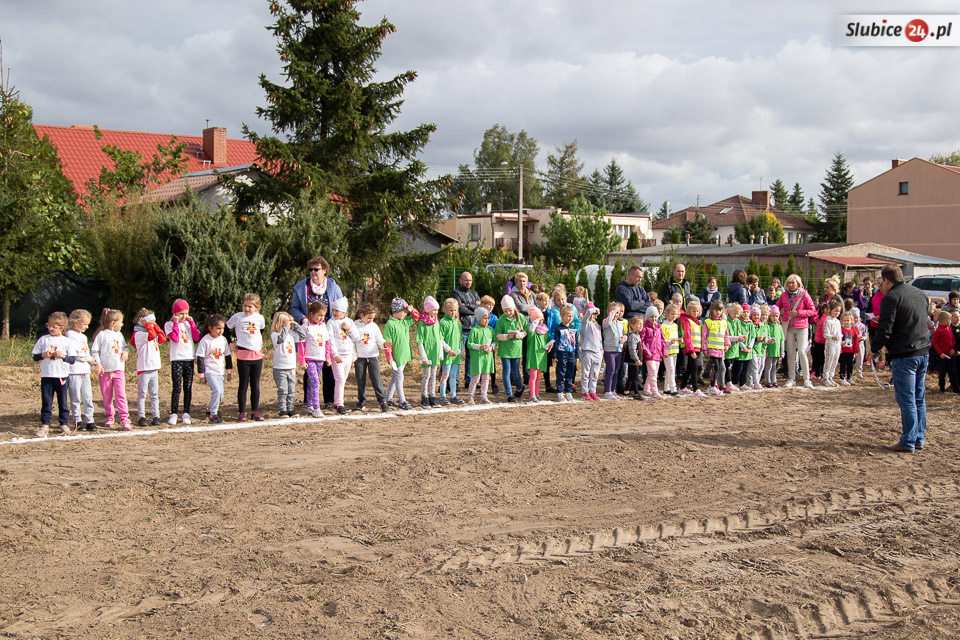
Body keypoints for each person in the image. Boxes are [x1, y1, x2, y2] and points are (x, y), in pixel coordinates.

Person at [871, 265, 931, 453]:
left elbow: (885, 329)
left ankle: (908, 441)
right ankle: (919, 437)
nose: (880, 287)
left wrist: (874, 348)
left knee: (907, 400)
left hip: (905, 354)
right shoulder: (920, 293)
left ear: (887, 280)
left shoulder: (891, 298)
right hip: (923, 351)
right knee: (918, 398)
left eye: (881, 283)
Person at [291, 256, 344, 410]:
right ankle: (308, 400)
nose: (313, 272)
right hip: (310, 331)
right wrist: (303, 320)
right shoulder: (302, 287)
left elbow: (341, 306)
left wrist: (337, 323)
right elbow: (294, 308)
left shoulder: (333, 287)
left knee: (328, 364)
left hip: (327, 330)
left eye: (316, 269)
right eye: (311, 269)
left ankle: (329, 400)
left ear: (324, 270)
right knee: (310, 366)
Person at [31, 311, 77, 437]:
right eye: (49, 325)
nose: (50, 328)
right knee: (47, 401)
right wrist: (43, 355)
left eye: (54, 326)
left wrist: (63, 356)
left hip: (62, 375)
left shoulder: (67, 341)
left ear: (62, 327)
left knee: (62, 401)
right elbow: (35, 357)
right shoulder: (44, 339)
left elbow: (72, 360)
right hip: (47, 375)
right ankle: (45, 424)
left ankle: (63, 424)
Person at [227, 293, 267, 422]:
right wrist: (230, 342)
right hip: (243, 355)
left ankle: (255, 411)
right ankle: (242, 412)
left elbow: (261, 330)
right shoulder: (237, 317)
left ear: (257, 307)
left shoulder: (260, 318)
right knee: (243, 384)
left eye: (250, 306)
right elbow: (226, 328)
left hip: (257, 355)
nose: (247, 308)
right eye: (245, 305)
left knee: (255, 384)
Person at [91, 308, 131, 431]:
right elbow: (94, 351)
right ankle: (109, 416)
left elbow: (125, 347)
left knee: (121, 395)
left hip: (118, 370)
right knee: (106, 395)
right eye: (121, 322)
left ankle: (124, 418)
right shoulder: (102, 335)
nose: (122, 324)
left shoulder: (120, 335)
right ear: (113, 323)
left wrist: (125, 352)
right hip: (105, 371)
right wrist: (97, 364)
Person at [776, 274, 816, 389]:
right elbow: (776, 308)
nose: (790, 285)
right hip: (789, 327)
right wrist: (781, 318)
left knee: (802, 352)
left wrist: (799, 313)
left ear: (798, 283)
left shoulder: (804, 294)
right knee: (790, 353)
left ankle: (806, 379)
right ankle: (791, 378)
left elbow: (812, 310)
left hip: (802, 327)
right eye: (789, 282)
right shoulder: (784, 295)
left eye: (793, 282)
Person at [164, 300, 199, 425]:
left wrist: (192, 323)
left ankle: (186, 413)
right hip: (177, 359)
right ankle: (174, 413)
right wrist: (175, 323)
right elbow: (175, 338)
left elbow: (196, 337)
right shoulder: (169, 324)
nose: (184, 316)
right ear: (175, 313)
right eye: (181, 313)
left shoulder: (188, 324)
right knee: (177, 387)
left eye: (186, 313)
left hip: (189, 359)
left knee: (188, 387)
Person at [353, 302, 391, 412]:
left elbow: (379, 339)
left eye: (373, 318)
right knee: (360, 380)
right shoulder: (354, 326)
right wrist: (353, 356)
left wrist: (384, 344)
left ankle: (382, 400)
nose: (371, 320)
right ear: (362, 316)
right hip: (360, 358)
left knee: (376, 379)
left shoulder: (374, 326)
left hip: (373, 356)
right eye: (369, 318)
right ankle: (361, 400)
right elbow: (352, 341)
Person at [131, 307, 166, 427]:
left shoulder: (152, 331)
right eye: (151, 322)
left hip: (154, 368)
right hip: (144, 368)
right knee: (142, 394)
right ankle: (142, 416)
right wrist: (147, 325)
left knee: (154, 394)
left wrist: (154, 325)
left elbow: (162, 338)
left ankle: (156, 416)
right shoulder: (139, 334)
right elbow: (151, 335)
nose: (153, 325)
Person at [383, 298, 419, 411]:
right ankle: (402, 400)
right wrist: (389, 356)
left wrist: (412, 310)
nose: (405, 314)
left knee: (396, 377)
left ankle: (388, 398)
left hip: (404, 355)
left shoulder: (404, 321)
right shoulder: (390, 324)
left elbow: (416, 317)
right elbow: (387, 342)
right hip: (397, 356)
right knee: (399, 377)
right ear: (397, 311)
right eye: (404, 311)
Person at [270, 311, 307, 418]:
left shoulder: (291, 334)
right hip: (280, 368)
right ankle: (283, 410)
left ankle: (290, 409)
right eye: (285, 323)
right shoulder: (275, 335)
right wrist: (286, 327)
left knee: (291, 390)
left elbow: (303, 336)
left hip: (291, 367)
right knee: (283, 390)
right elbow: (280, 339)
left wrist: (297, 326)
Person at [196, 314, 232, 424]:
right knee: (216, 390)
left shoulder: (223, 340)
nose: (221, 331)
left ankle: (210, 408)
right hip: (210, 370)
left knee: (220, 394)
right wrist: (201, 375)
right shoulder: (205, 340)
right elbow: (200, 358)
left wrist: (229, 371)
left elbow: (227, 356)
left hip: (220, 371)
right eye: (218, 328)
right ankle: (213, 414)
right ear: (210, 328)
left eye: (222, 328)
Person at [298, 301, 332, 418]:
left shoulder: (323, 327)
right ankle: (316, 408)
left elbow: (327, 343)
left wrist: (327, 357)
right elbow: (301, 344)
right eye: (319, 315)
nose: (321, 318)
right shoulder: (306, 327)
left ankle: (310, 405)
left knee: (312, 382)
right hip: (309, 358)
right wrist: (302, 360)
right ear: (311, 314)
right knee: (315, 382)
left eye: (323, 315)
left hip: (320, 358)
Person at [66, 309, 96, 431]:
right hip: (74, 371)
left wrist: (92, 363)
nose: (87, 327)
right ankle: (77, 420)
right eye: (85, 324)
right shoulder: (70, 335)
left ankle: (90, 419)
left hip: (85, 370)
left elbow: (86, 352)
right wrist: (89, 358)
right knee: (76, 397)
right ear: (75, 322)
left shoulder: (83, 336)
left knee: (87, 396)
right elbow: (75, 354)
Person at [497, 295, 528, 402]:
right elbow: (497, 335)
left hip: (516, 350)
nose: (508, 313)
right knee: (506, 372)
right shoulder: (501, 319)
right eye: (505, 311)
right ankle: (509, 394)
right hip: (504, 350)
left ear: (514, 308)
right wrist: (506, 336)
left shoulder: (521, 317)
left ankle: (519, 387)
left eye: (510, 310)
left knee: (515, 371)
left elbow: (525, 331)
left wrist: (520, 335)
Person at [452, 271, 480, 387]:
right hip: (462, 327)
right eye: (466, 280)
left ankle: (469, 381)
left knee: (471, 356)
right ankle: (455, 381)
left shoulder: (474, 293)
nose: (468, 282)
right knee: (458, 355)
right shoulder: (456, 293)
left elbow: (479, 309)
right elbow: (459, 309)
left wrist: (467, 305)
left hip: (473, 328)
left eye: (470, 280)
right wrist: (473, 307)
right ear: (460, 280)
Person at [417, 296, 444, 408]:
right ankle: (424, 397)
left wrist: (441, 352)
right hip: (427, 355)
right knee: (426, 375)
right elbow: (420, 341)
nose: (435, 312)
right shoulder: (422, 323)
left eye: (437, 310)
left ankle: (432, 396)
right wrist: (423, 356)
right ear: (427, 309)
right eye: (433, 310)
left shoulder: (436, 321)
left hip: (435, 353)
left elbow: (440, 338)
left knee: (433, 375)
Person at [437, 298, 464, 405]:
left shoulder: (458, 323)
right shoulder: (443, 322)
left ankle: (453, 395)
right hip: (447, 355)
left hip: (455, 356)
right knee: (445, 375)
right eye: (451, 310)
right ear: (445, 310)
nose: (453, 312)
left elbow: (460, 339)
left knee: (453, 375)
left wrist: (461, 351)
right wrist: (448, 350)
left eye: (455, 310)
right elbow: (440, 339)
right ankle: (442, 396)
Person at [466, 307, 495, 404]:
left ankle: (484, 396)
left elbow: (494, 341)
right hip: (477, 359)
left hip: (487, 358)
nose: (487, 320)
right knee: (475, 378)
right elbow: (470, 344)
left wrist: (491, 347)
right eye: (484, 318)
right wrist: (480, 347)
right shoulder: (474, 330)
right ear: (479, 318)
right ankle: (470, 396)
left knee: (486, 378)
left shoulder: (490, 329)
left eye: (488, 318)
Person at [702, 301, 731, 397]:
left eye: (720, 310)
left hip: (720, 349)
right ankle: (712, 386)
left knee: (719, 368)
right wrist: (704, 348)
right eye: (716, 310)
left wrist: (727, 344)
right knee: (716, 367)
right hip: (712, 349)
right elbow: (704, 336)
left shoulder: (724, 322)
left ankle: (714, 385)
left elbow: (726, 335)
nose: (718, 312)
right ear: (712, 310)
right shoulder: (708, 322)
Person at [552, 305, 580, 402]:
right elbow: (555, 342)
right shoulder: (558, 329)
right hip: (562, 353)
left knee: (570, 373)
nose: (570, 318)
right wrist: (554, 355)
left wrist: (577, 356)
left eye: (572, 316)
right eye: (568, 316)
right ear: (562, 316)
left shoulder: (574, 329)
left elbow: (576, 343)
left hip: (571, 353)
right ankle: (560, 391)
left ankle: (568, 391)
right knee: (561, 372)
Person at [678, 299, 705, 396]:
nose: (695, 313)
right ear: (689, 311)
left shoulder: (698, 322)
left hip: (697, 348)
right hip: (691, 349)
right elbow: (687, 337)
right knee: (694, 368)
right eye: (693, 311)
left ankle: (682, 387)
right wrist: (691, 350)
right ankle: (695, 388)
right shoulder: (687, 321)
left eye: (697, 311)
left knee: (690, 368)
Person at [641, 306, 667, 398]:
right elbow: (642, 341)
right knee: (652, 373)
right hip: (649, 354)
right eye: (651, 317)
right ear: (647, 317)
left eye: (655, 317)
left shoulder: (659, 328)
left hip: (657, 354)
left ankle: (646, 389)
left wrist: (664, 351)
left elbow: (662, 340)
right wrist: (646, 351)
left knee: (654, 373)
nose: (654, 319)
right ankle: (654, 391)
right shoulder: (645, 328)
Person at [525, 306, 550, 402]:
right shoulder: (531, 329)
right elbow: (531, 331)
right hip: (533, 356)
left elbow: (547, 341)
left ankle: (536, 393)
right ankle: (532, 394)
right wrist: (534, 322)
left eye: (542, 319)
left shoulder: (545, 331)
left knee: (538, 376)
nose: (540, 322)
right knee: (533, 376)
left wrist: (549, 345)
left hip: (541, 356)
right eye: (538, 319)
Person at [601, 302, 626, 400]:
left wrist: (624, 338)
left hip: (618, 350)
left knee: (616, 371)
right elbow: (608, 321)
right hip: (609, 350)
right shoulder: (606, 322)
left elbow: (624, 334)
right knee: (610, 370)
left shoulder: (620, 324)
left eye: (617, 312)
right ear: (608, 312)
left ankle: (613, 390)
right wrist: (612, 313)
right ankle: (608, 390)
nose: (615, 314)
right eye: (613, 311)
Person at [932, 310, 959, 393]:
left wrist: (954, 349)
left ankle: (955, 387)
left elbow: (953, 340)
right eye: (949, 320)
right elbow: (935, 343)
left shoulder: (949, 329)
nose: (950, 321)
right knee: (942, 373)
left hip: (950, 354)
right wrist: (940, 353)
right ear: (944, 321)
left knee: (953, 372)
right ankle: (942, 388)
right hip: (943, 356)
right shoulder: (938, 331)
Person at [821, 299, 843, 387]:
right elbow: (825, 334)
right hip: (830, 344)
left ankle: (830, 376)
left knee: (835, 359)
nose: (837, 313)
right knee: (829, 359)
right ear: (830, 310)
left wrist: (840, 339)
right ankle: (825, 377)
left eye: (838, 311)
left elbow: (840, 333)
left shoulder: (838, 321)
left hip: (837, 344)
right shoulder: (828, 321)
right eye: (835, 311)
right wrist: (831, 337)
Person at [661, 304, 681, 396]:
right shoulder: (663, 325)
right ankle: (673, 389)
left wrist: (679, 340)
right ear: (667, 314)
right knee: (671, 369)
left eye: (675, 314)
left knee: (670, 370)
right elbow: (662, 339)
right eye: (672, 314)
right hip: (667, 351)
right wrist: (669, 342)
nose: (673, 316)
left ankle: (667, 388)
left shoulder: (675, 325)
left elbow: (675, 337)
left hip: (674, 350)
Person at [763, 306, 785, 387]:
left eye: (776, 316)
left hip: (776, 350)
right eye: (773, 316)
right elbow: (766, 337)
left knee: (774, 366)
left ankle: (774, 380)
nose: (775, 318)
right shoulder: (768, 326)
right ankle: (768, 381)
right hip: (770, 349)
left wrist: (782, 351)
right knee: (768, 366)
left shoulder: (779, 327)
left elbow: (782, 340)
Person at [624, 315, 644, 400]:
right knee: (635, 377)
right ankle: (636, 393)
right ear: (632, 325)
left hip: (636, 360)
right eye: (638, 324)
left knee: (631, 376)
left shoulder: (637, 335)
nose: (641, 326)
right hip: (634, 360)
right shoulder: (632, 336)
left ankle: (626, 390)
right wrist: (636, 359)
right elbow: (632, 349)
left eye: (642, 324)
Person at [838, 311, 858, 386]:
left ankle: (849, 377)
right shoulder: (840, 330)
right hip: (843, 351)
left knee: (850, 365)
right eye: (844, 320)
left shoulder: (854, 330)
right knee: (843, 364)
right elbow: (839, 340)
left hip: (851, 351)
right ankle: (842, 377)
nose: (846, 322)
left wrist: (856, 351)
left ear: (851, 320)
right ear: (842, 321)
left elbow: (856, 341)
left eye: (848, 320)